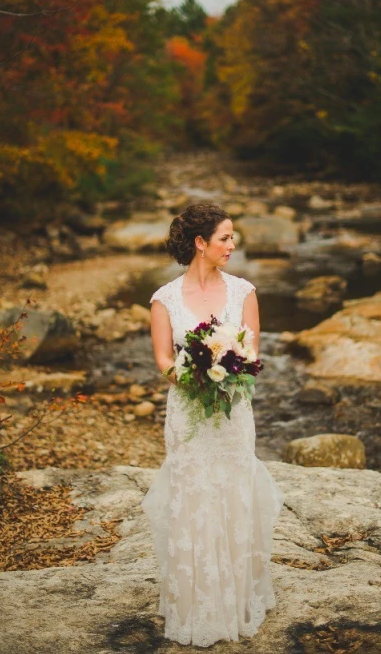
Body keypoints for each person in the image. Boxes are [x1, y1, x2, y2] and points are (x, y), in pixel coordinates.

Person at [141, 203, 285, 648]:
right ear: (200, 243)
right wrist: (192, 373)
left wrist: (230, 362)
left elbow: (252, 352)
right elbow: (163, 360)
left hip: (233, 412)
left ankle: (237, 597)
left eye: (233, 236)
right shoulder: (164, 299)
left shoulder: (244, 291)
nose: (232, 245)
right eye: (225, 237)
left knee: (233, 491)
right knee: (193, 495)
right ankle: (194, 602)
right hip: (187, 412)